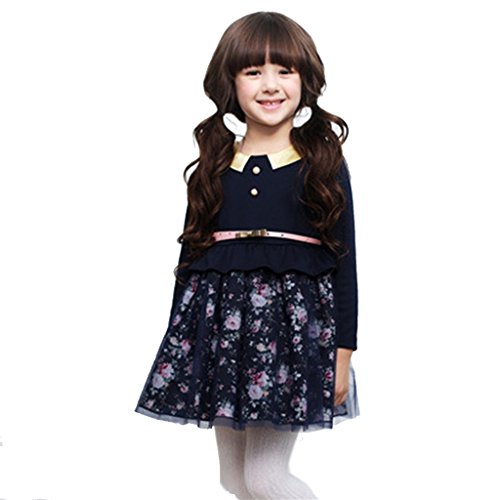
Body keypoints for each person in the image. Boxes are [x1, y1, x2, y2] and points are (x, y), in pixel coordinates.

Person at [135, 11, 360, 500]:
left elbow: (345, 263)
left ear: (304, 79)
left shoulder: (321, 164)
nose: (270, 84)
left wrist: (343, 353)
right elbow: (190, 259)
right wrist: (181, 346)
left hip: (289, 339)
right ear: (231, 82)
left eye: (284, 70)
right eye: (253, 71)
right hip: (222, 338)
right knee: (234, 480)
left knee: (264, 477)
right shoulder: (214, 166)